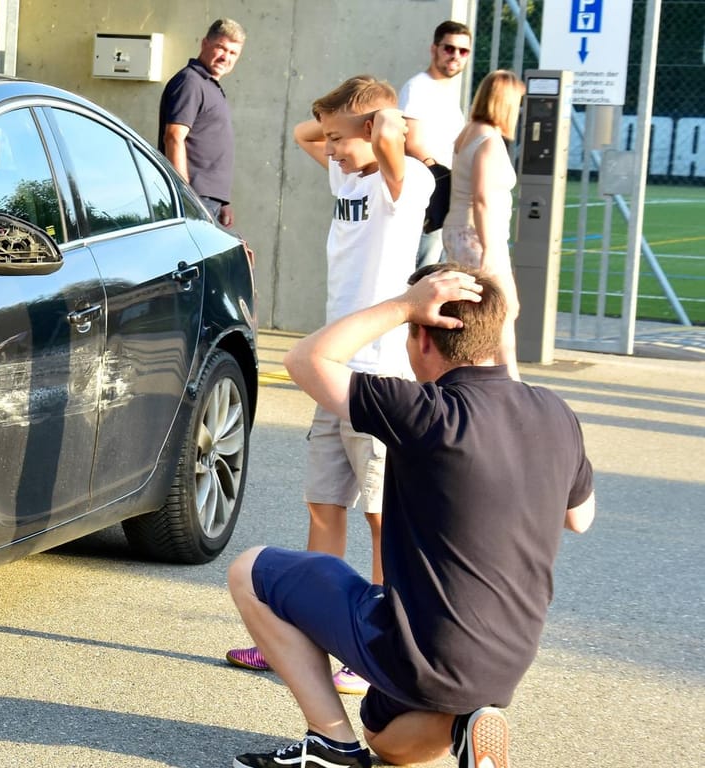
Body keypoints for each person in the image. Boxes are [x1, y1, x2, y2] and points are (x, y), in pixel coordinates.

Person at [225, 264, 596, 768]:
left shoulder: (424, 411)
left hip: (426, 650)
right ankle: (467, 722)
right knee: (387, 740)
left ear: (423, 336)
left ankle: (330, 742)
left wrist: (403, 304)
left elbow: (304, 358)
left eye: (409, 328)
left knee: (250, 570)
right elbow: (580, 518)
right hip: (504, 664)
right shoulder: (555, 414)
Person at [226, 75, 432, 697]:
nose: (331, 148)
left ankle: (373, 649)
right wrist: (350, 124)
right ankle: (313, 637)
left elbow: (389, 136)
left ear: (374, 131)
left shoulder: (410, 184)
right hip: (334, 369)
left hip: (379, 373)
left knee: (379, 516)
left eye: (343, 139)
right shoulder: (348, 175)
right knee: (324, 505)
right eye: (333, 140)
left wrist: (386, 125)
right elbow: (303, 129)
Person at [443, 70, 527, 379]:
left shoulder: (468, 133)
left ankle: (491, 378)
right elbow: (482, 198)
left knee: (480, 312)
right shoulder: (489, 141)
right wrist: (491, 249)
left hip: (462, 231)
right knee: (503, 310)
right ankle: (510, 380)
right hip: (479, 236)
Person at [399, 20, 473, 267]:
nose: (455, 56)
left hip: (447, 191)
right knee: (423, 270)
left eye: (463, 51)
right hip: (429, 192)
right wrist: (443, 178)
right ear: (434, 49)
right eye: (449, 48)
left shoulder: (447, 91)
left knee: (439, 268)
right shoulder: (418, 88)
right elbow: (412, 143)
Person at [158, 18, 244, 228]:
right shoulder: (191, 82)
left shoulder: (209, 85)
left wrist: (222, 201)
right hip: (193, 198)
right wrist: (185, 196)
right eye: (221, 48)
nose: (226, 57)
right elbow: (174, 136)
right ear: (205, 44)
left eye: (233, 53)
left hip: (207, 199)